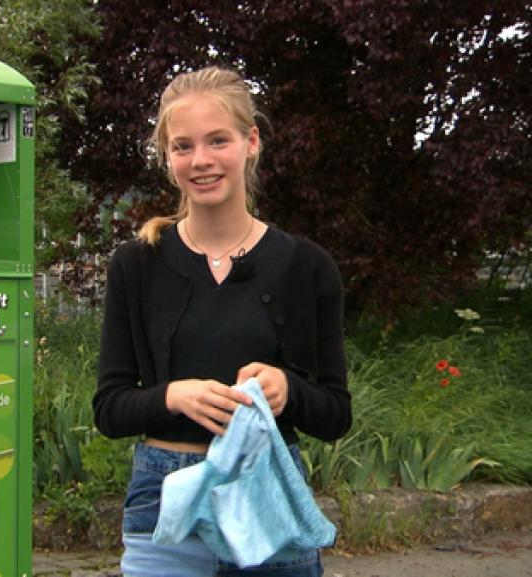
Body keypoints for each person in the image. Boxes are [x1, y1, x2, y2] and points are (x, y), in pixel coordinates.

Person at [93, 66, 352, 576]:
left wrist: (287, 389)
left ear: (250, 142)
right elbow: (109, 409)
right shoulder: (136, 264)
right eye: (183, 146)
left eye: (218, 141)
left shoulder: (308, 266)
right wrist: (174, 395)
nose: (201, 160)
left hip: (268, 499)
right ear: (168, 157)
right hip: (164, 496)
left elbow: (335, 415)